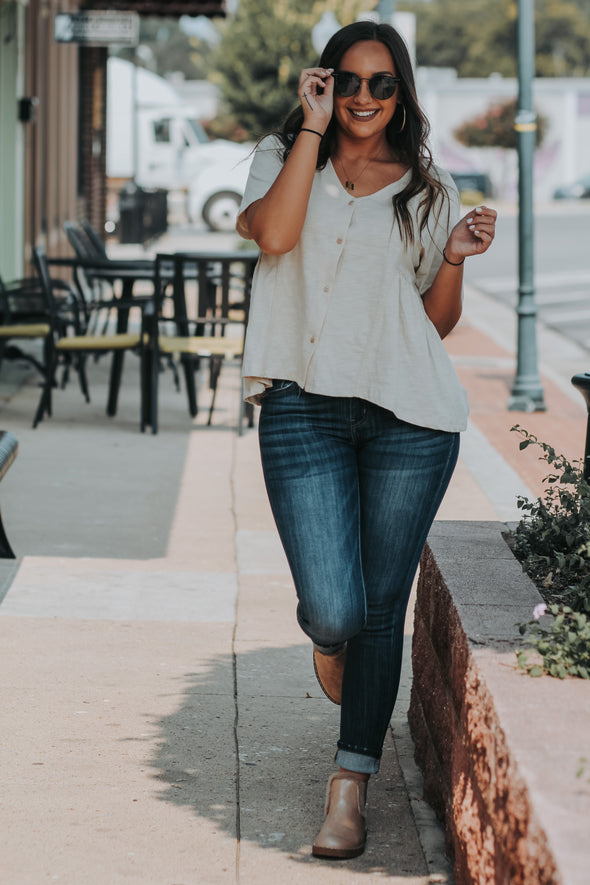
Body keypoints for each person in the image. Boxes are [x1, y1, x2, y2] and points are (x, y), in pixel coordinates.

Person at [236, 20, 496, 860]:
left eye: (382, 84)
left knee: (383, 609)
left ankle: (349, 786)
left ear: (403, 92)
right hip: (301, 408)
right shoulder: (283, 158)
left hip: (408, 417)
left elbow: (436, 323)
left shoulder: (427, 186)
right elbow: (275, 236)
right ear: (324, 82)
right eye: (348, 80)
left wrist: (452, 255)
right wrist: (309, 126)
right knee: (338, 607)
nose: (364, 98)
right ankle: (330, 639)